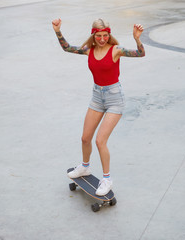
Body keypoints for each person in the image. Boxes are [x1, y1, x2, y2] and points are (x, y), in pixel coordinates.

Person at [52, 18, 145, 196]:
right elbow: (67, 47)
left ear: (109, 35)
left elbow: (140, 53)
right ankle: (85, 167)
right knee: (85, 138)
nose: (102, 39)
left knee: (100, 141)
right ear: (93, 35)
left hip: (114, 98)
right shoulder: (89, 50)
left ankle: (107, 179)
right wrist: (57, 31)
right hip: (97, 97)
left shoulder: (116, 50)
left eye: (105, 35)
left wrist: (137, 38)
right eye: (99, 36)